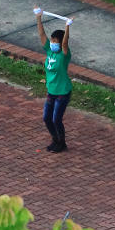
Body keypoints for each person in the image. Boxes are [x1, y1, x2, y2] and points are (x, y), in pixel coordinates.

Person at [35, 9, 72, 152]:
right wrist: (38, 17)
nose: (52, 43)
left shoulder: (64, 55)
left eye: (55, 41)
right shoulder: (49, 51)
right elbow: (41, 34)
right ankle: (55, 140)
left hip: (63, 92)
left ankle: (62, 143)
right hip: (52, 91)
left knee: (56, 119)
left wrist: (67, 26)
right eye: (52, 40)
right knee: (46, 118)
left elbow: (65, 43)